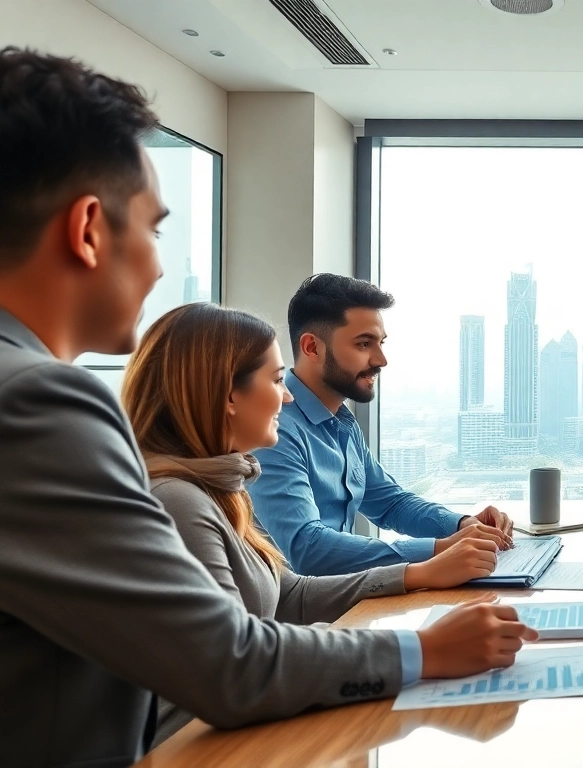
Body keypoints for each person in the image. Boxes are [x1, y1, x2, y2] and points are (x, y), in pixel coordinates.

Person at [0, 47, 534, 767]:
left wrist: (434, 558)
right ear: (90, 229)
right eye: (155, 228)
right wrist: (423, 648)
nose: (160, 265)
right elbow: (226, 661)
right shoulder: (38, 402)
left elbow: (292, 584)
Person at [121, 303, 515, 743]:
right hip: (196, 745)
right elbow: (239, 663)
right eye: (274, 380)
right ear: (228, 396)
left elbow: (287, 595)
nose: (286, 394)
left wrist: (421, 569)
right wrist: (425, 650)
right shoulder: (178, 502)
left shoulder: (218, 490)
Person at [249, 274, 513, 576]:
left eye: (381, 343)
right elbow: (307, 550)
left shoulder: (341, 422)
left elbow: (390, 504)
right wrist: (442, 550)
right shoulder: (276, 430)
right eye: (364, 344)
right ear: (312, 348)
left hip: (342, 601)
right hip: (302, 615)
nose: (381, 359)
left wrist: (463, 524)